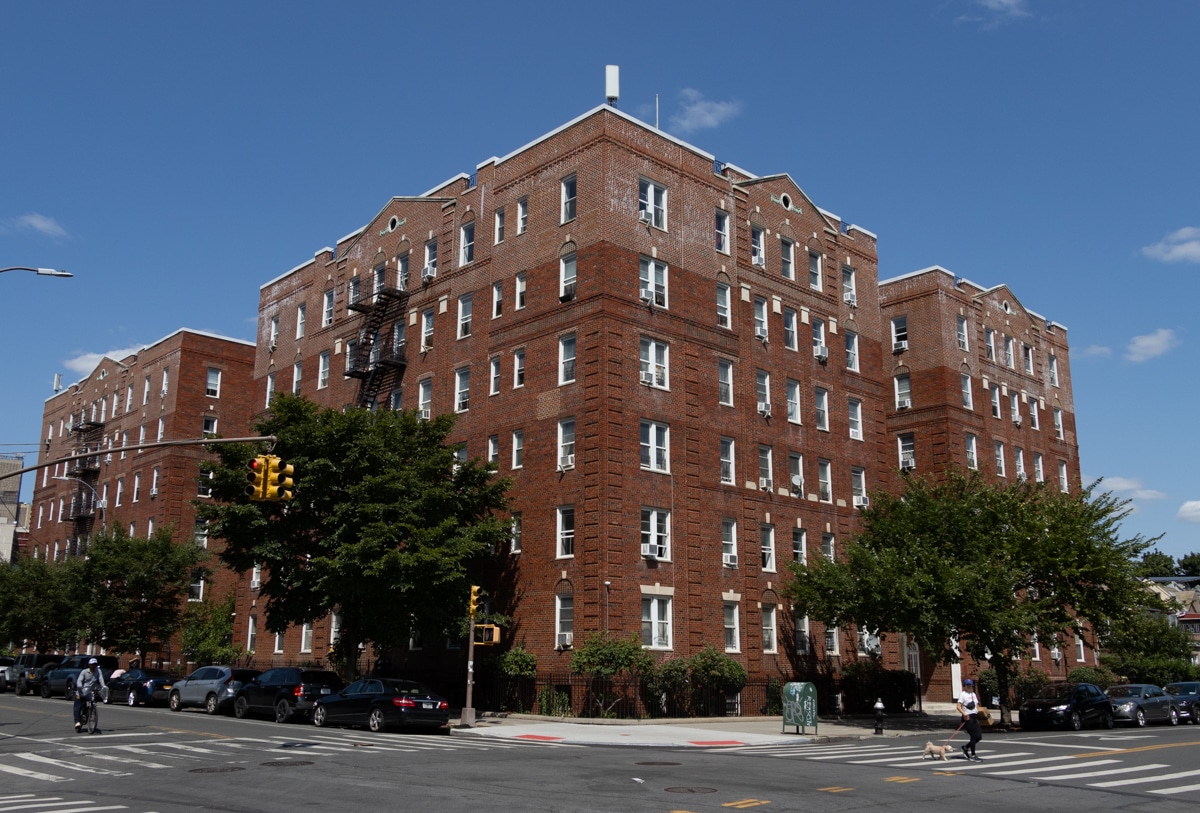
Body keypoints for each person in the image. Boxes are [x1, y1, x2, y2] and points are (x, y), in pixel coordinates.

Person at [74, 658, 106, 732]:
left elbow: (101, 679)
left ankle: (91, 710)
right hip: (81, 691)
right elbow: (79, 681)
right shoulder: (84, 672)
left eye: (95, 664)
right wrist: (79, 687)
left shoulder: (98, 671)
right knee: (77, 707)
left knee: (92, 699)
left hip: (89, 692)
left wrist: (103, 686)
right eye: (92, 664)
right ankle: (77, 722)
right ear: (89, 665)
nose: (93, 666)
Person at [956, 678, 983, 761]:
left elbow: (976, 706)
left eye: (970, 685)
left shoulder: (973, 694)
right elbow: (958, 706)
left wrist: (981, 712)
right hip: (967, 717)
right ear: (964, 686)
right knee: (973, 736)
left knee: (979, 736)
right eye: (967, 685)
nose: (968, 686)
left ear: (972, 686)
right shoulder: (963, 694)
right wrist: (964, 714)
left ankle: (965, 747)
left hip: (974, 717)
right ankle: (973, 755)